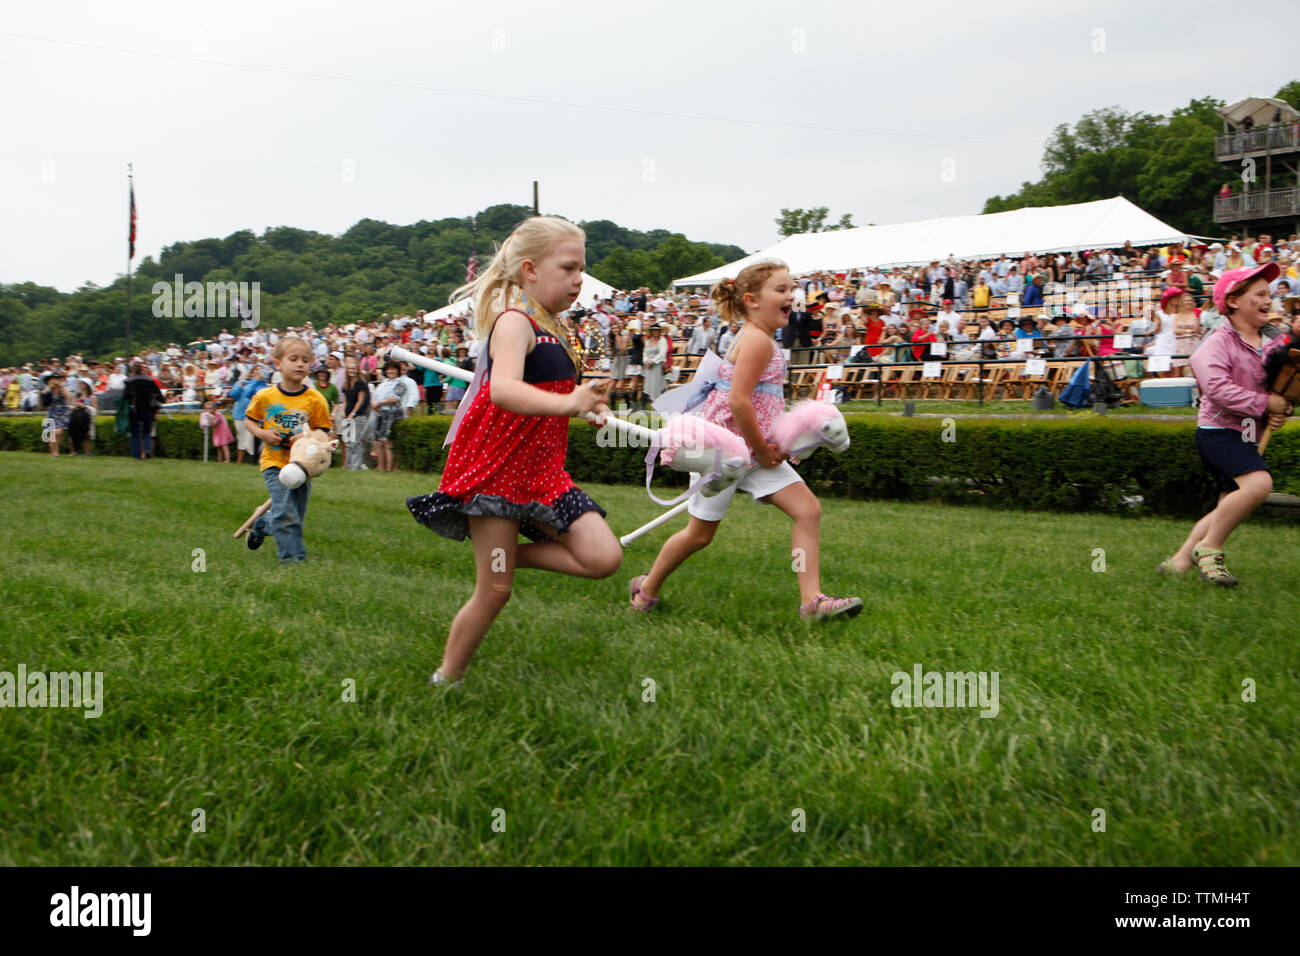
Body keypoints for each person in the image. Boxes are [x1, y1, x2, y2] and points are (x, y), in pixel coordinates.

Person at [405, 217, 619, 687]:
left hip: (543, 472)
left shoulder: (555, 327)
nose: (579, 279)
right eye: (568, 268)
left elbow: (549, 396)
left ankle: (503, 554)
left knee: (604, 558)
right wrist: (568, 401)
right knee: (495, 591)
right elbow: (503, 391)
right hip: (498, 472)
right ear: (530, 270)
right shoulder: (513, 323)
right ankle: (447, 678)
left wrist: (584, 405)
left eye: (581, 268)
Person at [627, 260, 861, 622]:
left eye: (790, 290)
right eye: (781, 290)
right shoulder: (756, 341)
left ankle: (812, 601)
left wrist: (771, 444)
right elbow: (738, 400)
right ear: (752, 300)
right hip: (724, 454)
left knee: (807, 510)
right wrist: (765, 449)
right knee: (698, 535)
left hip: (754, 450)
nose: (790, 297)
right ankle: (647, 588)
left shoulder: (761, 338)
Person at [1158, 263, 1291, 586]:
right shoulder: (1216, 343)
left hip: (1249, 432)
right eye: (1259, 294)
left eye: (1269, 294)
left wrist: (1279, 409)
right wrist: (1264, 404)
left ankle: (1179, 561)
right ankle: (1210, 548)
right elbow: (1217, 390)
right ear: (1232, 301)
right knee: (1259, 485)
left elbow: (1278, 389)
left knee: (1228, 504)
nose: (1267, 300)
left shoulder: (1273, 343)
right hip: (1218, 433)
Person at [242, 337, 334, 563]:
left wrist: (307, 437)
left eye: (305, 360)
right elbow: (249, 420)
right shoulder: (266, 396)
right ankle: (292, 561)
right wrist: (262, 433)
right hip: (274, 462)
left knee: (295, 516)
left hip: (303, 466)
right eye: (293, 359)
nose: (300, 364)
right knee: (286, 514)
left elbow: (323, 431)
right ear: (277, 363)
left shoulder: (315, 399)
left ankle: (262, 524)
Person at [371, 359, 413, 472]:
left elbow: (395, 398)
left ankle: (389, 468)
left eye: (393, 369)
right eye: (388, 369)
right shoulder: (382, 384)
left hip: (393, 414)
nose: (391, 371)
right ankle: (380, 466)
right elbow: (375, 397)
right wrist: (375, 405)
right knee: (378, 441)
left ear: (398, 371)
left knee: (387, 442)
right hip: (380, 413)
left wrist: (380, 403)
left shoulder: (401, 384)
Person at [121, 361, 164, 460]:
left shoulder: (129, 381)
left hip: (134, 408)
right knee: (146, 432)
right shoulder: (149, 380)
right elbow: (159, 396)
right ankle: (147, 450)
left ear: (132, 369)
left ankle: (137, 454)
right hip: (148, 408)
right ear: (142, 369)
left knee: (135, 432)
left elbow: (125, 396)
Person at [339, 356, 371, 470]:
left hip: (357, 416)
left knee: (355, 441)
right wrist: (343, 410)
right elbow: (346, 399)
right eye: (349, 369)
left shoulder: (360, 383)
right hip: (347, 415)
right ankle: (348, 464)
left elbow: (361, 400)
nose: (351, 371)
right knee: (347, 441)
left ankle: (355, 465)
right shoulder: (346, 384)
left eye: (353, 369)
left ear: (357, 369)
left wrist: (353, 413)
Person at [40, 373, 71, 456]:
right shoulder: (47, 390)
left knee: (58, 432)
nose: (55, 380)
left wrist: (61, 387)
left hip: (62, 413)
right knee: (52, 433)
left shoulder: (62, 388)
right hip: (52, 413)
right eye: (53, 379)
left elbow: (69, 398)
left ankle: (56, 451)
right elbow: (44, 403)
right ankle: (54, 452)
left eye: (56, 378)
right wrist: (50, 388)